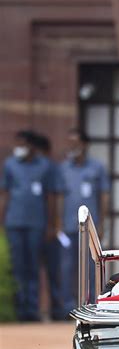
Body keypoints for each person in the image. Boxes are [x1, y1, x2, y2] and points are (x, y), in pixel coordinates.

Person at [0, 130, 56, 321]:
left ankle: (31, 310)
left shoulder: (45, 166)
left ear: (31, 146)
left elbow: (50, 197)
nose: (19, 148)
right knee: (17, 266)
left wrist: (51, 225)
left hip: (36, 223)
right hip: (14, 222)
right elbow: (4, 194)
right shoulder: (10, 165)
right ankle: (18, 309)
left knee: (33, 267)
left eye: (22, 144)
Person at [59, 128, 110, 316]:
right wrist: (56, 224)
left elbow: (103, 196)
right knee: (66, 268)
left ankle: (92, 306)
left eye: (76, 143)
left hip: (90, 228)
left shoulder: (97, 168)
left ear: (84, 145)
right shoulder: (63, 168)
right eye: (70, 143)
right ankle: (66, 308)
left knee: (91, 267)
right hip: (67, 226)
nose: (73, 147)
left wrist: (102, 224)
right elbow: (57, 197)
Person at [34, 133, 65, 320]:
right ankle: (42, 309)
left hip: (50, 229)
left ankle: (57, 309)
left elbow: (55, 199)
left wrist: (54, 225)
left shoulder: (51, 169)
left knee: (55, 270)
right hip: (35, 226)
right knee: (35, 270)